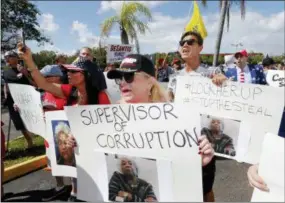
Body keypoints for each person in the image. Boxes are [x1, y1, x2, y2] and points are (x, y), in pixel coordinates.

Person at [106, 54, 215, 201]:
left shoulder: (176, 122)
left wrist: (202, 166)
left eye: (129, 77)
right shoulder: (109, 121)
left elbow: (200, 188)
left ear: (150, 82)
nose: (122, 83)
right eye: (120, 78)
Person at [17, 42, 111, 202]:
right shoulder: (69, 91)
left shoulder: (101, 97)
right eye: (67, 71)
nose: (67, 74)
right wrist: (29, 60)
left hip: (92, 156)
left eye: (73, 71)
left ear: (86, 75)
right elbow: (42, 84)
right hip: (72, 153)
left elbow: (108, 128)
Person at [167, 31, 227, 201]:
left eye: (190, 42)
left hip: (205, 142)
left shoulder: (213, 72)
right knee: (182, 186)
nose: (184, 45)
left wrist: (224, 82)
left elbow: (229, 99)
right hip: (180, 140)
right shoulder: (175, 77)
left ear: (200, 47)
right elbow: (169, 105)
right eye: (182, 42)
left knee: (205, 190)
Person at [2, 51, 34, 149]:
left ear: (16, 58)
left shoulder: (24, 69)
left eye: (9, 57)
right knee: (18, 122)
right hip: (12, 100)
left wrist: (25, 73)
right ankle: (29, 140)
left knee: (31, 119)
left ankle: (36, 135)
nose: (6, 59)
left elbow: (34, 83)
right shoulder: (6, 72)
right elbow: (5, 84)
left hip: (26, 98)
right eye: (5, 57)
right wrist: (5, 93)